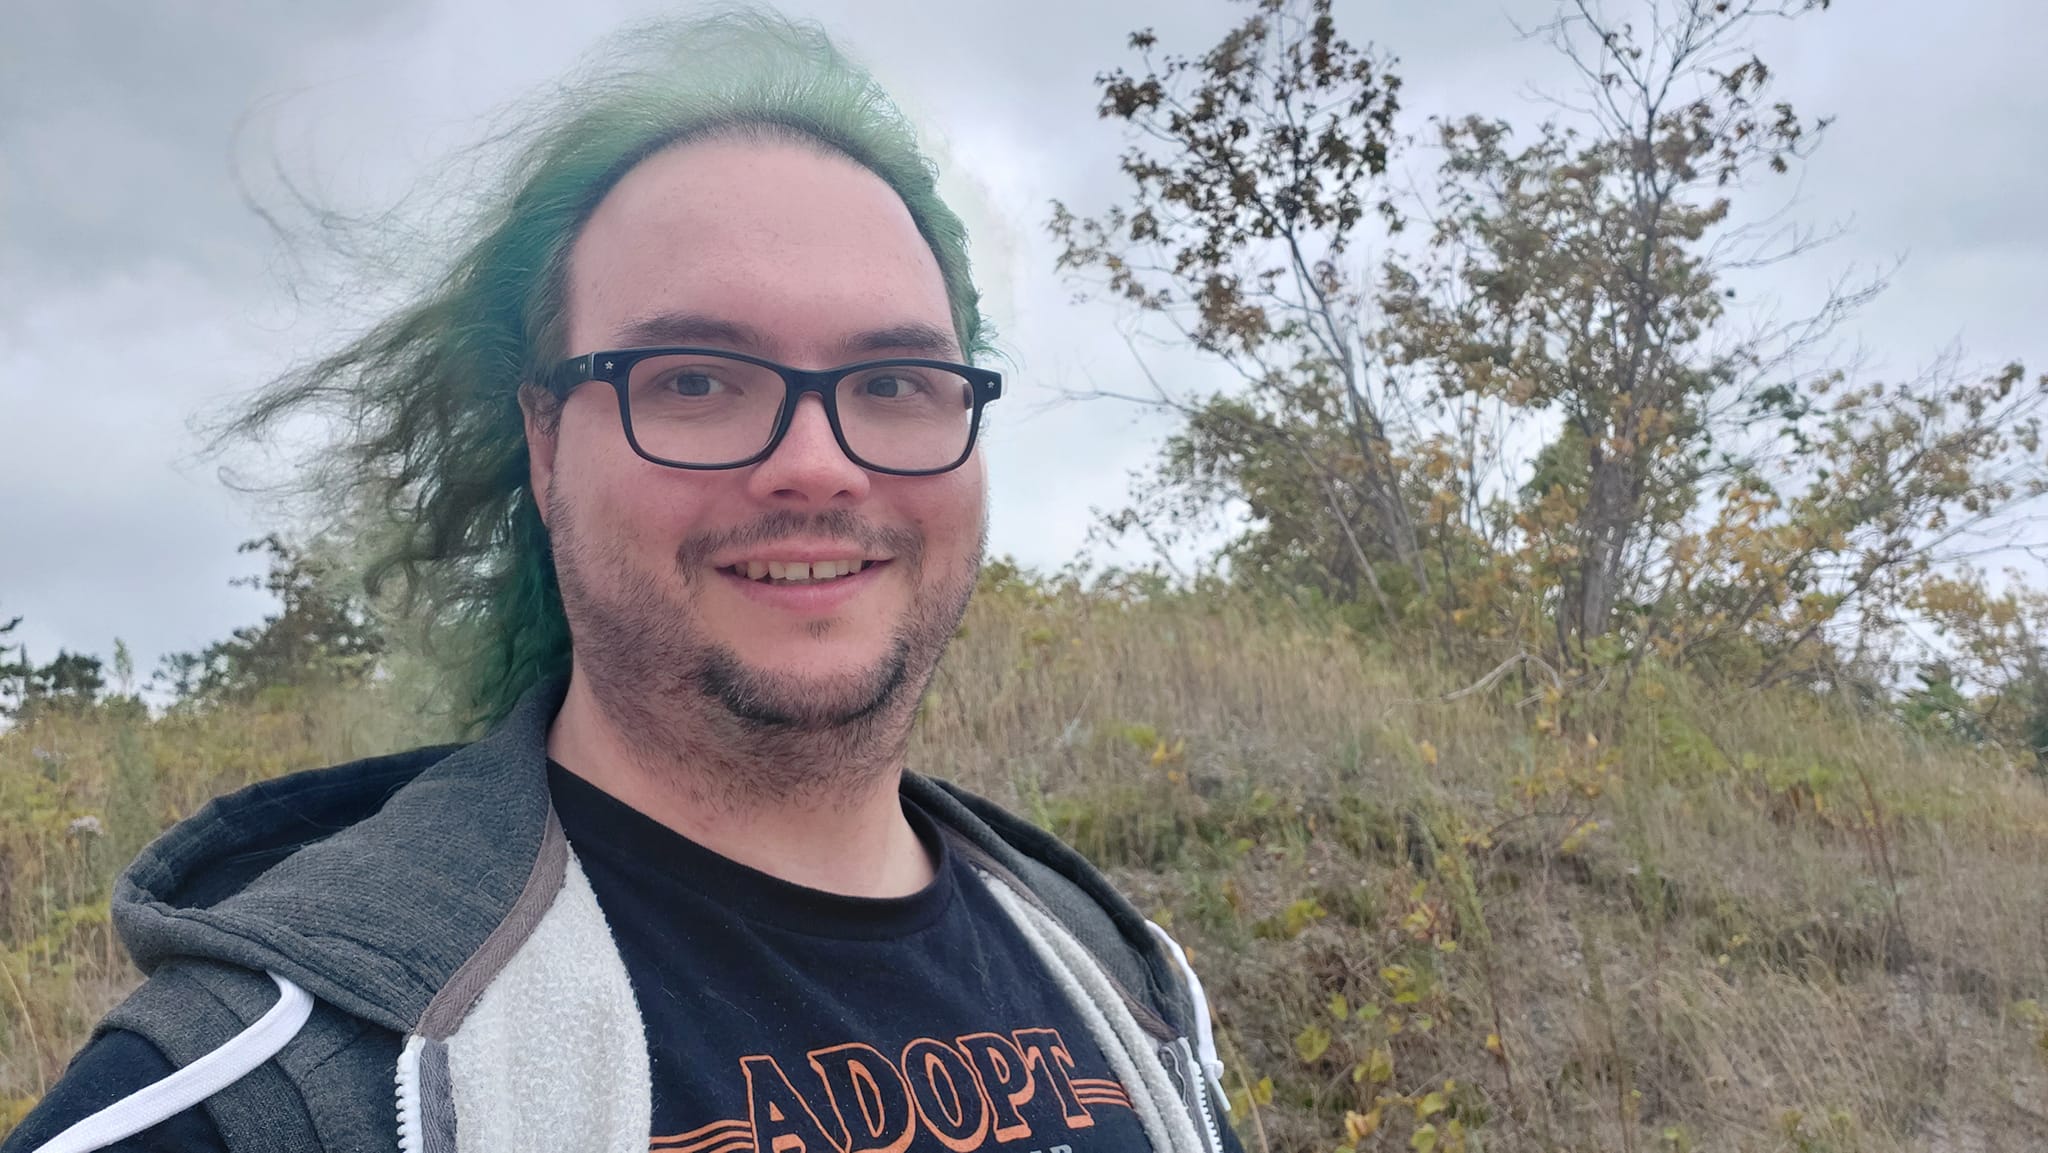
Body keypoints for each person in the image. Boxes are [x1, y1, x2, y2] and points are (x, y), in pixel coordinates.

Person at [4, 10, 1239, 1153]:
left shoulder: (1126, 978)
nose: (816, 464)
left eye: (894, 383)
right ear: (544, 444)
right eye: (695, 380)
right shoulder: (276, 1088)